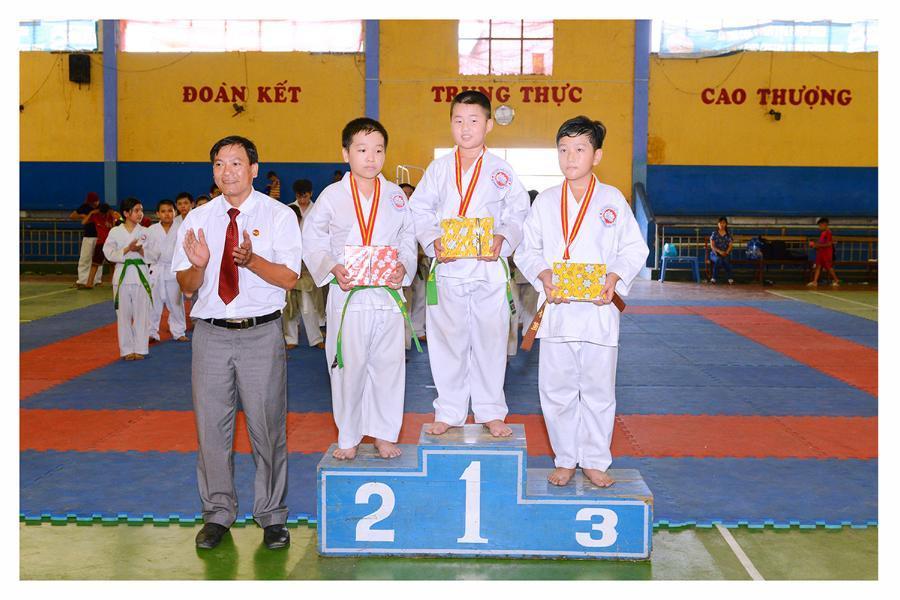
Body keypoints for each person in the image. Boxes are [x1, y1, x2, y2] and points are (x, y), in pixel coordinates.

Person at [172, 135, 302, 551]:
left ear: (253, 169)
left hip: (261, 333)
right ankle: (217, 513)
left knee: (268, 427)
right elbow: (186, 285)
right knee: (211, 428)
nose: (226, 171)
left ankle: (272, 516)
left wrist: (252, 260)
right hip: (210, 334)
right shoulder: (198, 219)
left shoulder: (279, 215)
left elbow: (290, 278)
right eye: (219, 164)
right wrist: (198, 266)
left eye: (235, 163)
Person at [514, 116, 649, 488]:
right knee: (556, 390)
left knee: (598, 391)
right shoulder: (545, 201)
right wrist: (543, 274)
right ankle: (565, 458)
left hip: (598, 313)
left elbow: (634, 248)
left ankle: (594, 460)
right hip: (558, 311)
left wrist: (615, 276)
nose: (570, 157)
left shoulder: (612, 200)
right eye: (563, 149)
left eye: (579, 149)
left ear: (597, 155)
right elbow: (527, 249)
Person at [409, 90, 530, 437]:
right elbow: (419, 209)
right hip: (448, 269)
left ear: (489, 125)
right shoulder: (438, 169)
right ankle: (449, 410)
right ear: (450, 123)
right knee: (447, 342)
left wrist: (503, 237)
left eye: (474, 120)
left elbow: (519, 211)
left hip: (488, 269)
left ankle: (491, 411)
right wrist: (433, 240)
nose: (465, 128)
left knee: (491, 341)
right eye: (458, 120)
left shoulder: (501, 171)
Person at [303, 118, 417, 460]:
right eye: (362, 149)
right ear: (346, 153)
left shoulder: (396, 196)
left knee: (389, 366)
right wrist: (331, 266)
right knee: (348, 367)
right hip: (348, 293)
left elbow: (407, 237)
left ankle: (384, 434)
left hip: (387, 295)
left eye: (378, 150)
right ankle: (349, 435)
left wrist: (403, 266)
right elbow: (312, 239)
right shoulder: (331, 196)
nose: (371, 157)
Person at [103, 197, 153, 361]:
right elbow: (109, 253)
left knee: (142, 314)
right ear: (126, 213)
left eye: (141, 210)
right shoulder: (115, 232)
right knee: (123, 315)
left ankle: (140, 348)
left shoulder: (146, 232)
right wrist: (127, 249)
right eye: (136, 210)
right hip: (122, 275)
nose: (140, 214)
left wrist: (140, 251)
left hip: (140, 275)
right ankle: (126, 350)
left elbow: (155, 254)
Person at [284, 179, 325, 349]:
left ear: (311, 193)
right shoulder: (288, 210)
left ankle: (316, 338)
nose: (302, 200)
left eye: (305, 196)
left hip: (309, 264)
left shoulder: (318, 210)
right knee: (289, 305)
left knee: (309, 304)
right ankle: (290, 339)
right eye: (299, 197)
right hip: (289, 264)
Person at [145, 199, 188, 343]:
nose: (167, 214)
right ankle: (151, 332)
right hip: (156, 269)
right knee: (153, 303)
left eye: (170, 211)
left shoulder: (181, 228)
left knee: (176, 303)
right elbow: (145, 250)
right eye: (163, 211)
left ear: (175, 212)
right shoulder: (151, 230)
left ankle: (179, 331)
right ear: (157, 214)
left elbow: (184, 250)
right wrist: (153, 256)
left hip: (173, 270)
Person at [400, 183, 428, 346]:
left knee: (421, 297)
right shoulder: (394, 213)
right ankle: (403, 341)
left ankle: (418, 330)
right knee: (404, 300)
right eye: (404, 193)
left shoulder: (420, 213)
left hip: (421, 262)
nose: (408, 197)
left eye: (411, 193)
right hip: (402, 263)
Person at [71, 191, 104, 288]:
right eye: (92, 203)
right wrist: (82, 215)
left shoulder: (102, 207)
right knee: (85, 258)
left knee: (98, 259)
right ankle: (82, 280)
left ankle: (97, 280)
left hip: (100, 237)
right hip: (88, 236)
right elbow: (72, 215)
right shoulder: (84, 207)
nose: (94, 204)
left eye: (95, 202)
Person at [85, 202, 120, 290]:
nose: (103, 215)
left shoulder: (112, 216)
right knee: (95, 264)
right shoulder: (95, 216)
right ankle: (89, 283)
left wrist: (115, 215)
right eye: (102, 213)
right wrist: (91, 213)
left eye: (105, 213)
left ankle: (114, 282)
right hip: (100, 243)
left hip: (111, 243)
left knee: (113, 264)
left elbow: (121, 221)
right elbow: (84, 222)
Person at [808, 217, 840, 287]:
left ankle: (836, 280)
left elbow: (829, 244)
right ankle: (815, 281)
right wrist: (814, 245)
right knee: (818, 266)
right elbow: (821, 243)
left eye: (820, 226)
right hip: (821, 252)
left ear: (825, 224)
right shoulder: (823, 233)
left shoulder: (828, 233)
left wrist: (817, 245)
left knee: (829, 267)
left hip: (826, 253)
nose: (819, 227)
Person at [709, 216, 734, 284]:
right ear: (718, 224)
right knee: (718, 260)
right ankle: (714, 278)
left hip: (725, 253)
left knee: (725, 260)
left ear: (726, 224)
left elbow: (730, 245)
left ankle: (729, 278)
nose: (722, 224)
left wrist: (726, 252)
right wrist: (719, 252)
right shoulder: (714, 233)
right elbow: (712, 246)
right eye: (720, 223)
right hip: (715, 254)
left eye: (723, 223)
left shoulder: (728, 234)